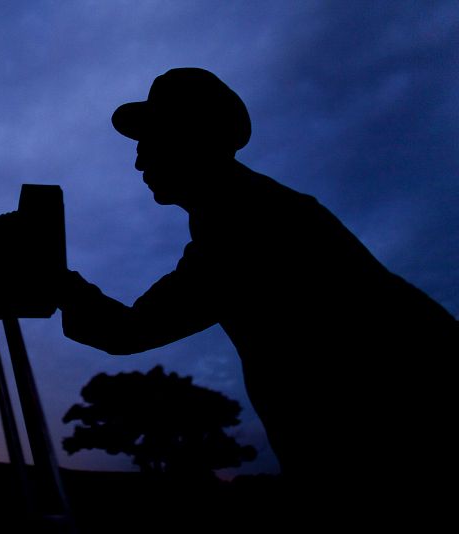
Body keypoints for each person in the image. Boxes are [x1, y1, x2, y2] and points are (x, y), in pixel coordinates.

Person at [58, 68, 457, 517]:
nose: (139, 162)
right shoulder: (249, 212)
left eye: (151, 142)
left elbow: (129, 332)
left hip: (403, 460)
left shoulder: (247, 223)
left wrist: (54, 279)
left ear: (192, 139)